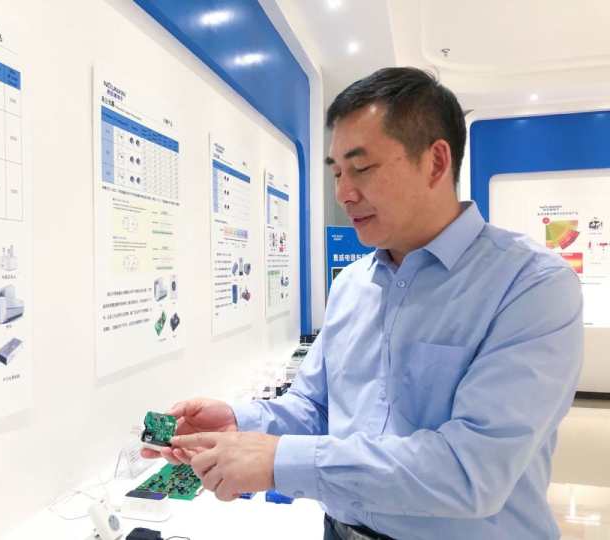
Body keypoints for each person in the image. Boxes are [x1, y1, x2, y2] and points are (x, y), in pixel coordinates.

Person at [142, 67, 583, 539]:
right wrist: (241, 422)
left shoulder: (530, 286)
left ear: (436, 162)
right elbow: (317, 408)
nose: (343, 194)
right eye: (336, 173)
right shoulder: (352, 284)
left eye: (362, 168)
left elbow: (471, 471)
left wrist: (278, 461)